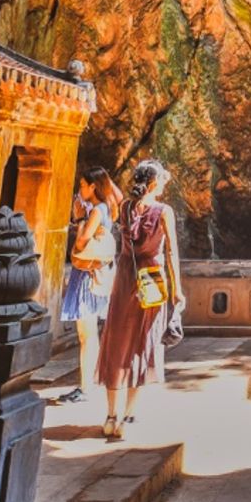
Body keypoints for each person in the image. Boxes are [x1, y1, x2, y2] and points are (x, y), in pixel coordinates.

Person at [96, 159, 184, 440]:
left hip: (124, 279)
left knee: (117, 342)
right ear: (155, 183)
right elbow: (171, 253)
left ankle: (110, 415)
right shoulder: (164, 211)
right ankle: (127, 416)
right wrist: (177, 289)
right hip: (153, 282)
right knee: (141, 343)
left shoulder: (124, 207)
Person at [55, 167, 121, 406]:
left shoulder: (96, 211)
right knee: (89, 333)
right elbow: (118, 196)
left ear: (93, 187)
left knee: (87, 334)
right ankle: (88, 384)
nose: (79, 190)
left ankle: (85, 387)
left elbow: (82, 242)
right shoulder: (109, 209)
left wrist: (80, 217)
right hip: (96, 274)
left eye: (82, 185)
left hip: (86, 278)